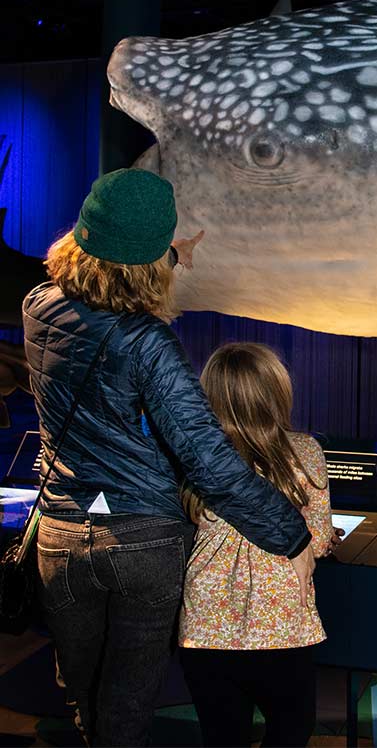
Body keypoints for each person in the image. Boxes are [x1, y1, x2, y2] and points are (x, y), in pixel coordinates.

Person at [22, 168, 315, 747]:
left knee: (83, 692)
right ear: (149, 262)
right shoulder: (147, 342)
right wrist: (292, 536)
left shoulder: (38, 305)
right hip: (141, 544)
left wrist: (167, 256)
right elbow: (209, 462)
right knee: (128, 706)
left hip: (59, 533)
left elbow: (104, 282)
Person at [179, 342, 334, 748]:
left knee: (222, 737)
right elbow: (315, 543)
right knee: (292, 728)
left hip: (206, 629)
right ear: (276, 393)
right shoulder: (304, 451)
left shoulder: (194, 457)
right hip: (282, 630)